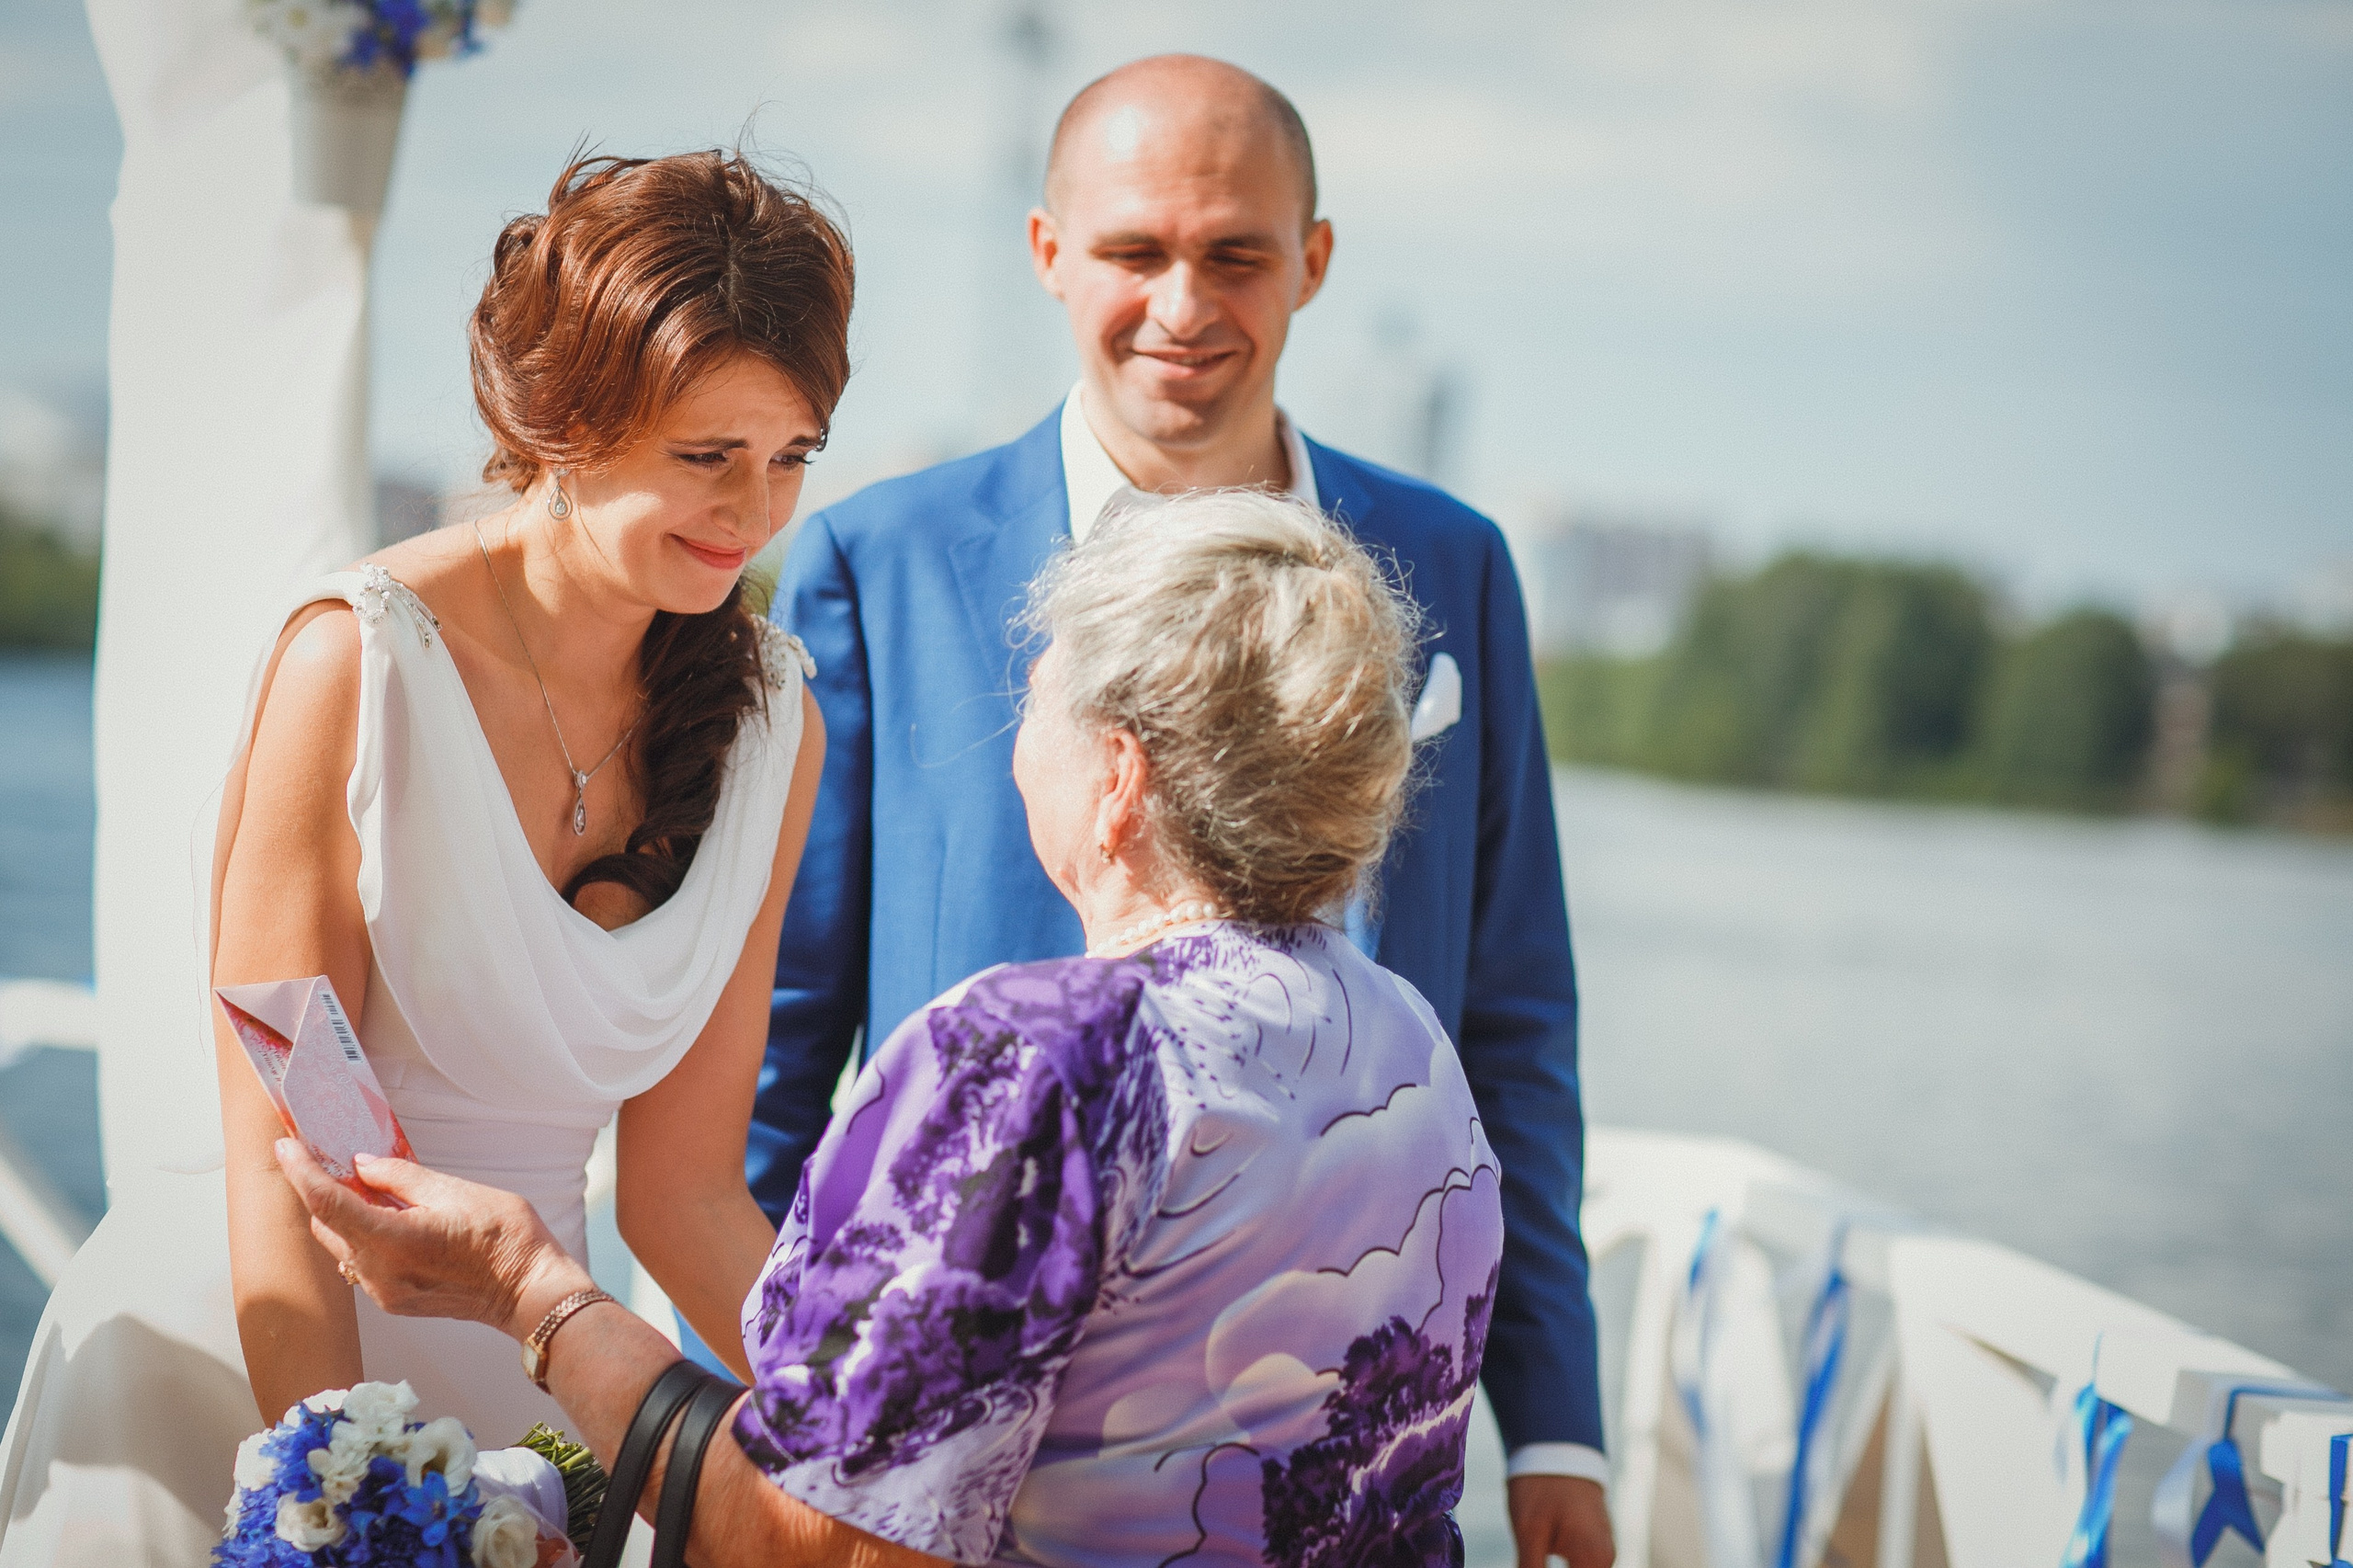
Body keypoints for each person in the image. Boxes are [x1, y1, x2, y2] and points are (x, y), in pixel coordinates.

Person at [288, 490, 1508, 1566]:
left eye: (1038, 694)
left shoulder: (1043, 1058)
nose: (1019, 735)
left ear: (1119, 777)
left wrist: (534, 1293)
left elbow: (817, 1544)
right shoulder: (1410, 1049)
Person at [752, 53, 1613, 1567]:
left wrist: (1555, 1423)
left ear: (1313, 261)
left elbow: (1517, 1022)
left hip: (1345, 1453)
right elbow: (780, 1041)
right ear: (1049, 252)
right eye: (1135, 250)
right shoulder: (879, 564)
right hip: (956, 1437)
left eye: (1235, 255)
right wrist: (781, 1434)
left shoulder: (1451, 564)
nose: (1183, 304)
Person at [0, 151, 846, 1567]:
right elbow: (287, 1151)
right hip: (250, 1369)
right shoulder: (358, 667)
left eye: (792, 455)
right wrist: (349, 1497)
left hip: (531, 1382)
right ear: (564, 419)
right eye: (708, 456)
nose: (755, 514)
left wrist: (892, 1440)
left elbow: (686, 1197)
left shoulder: (776, 724)